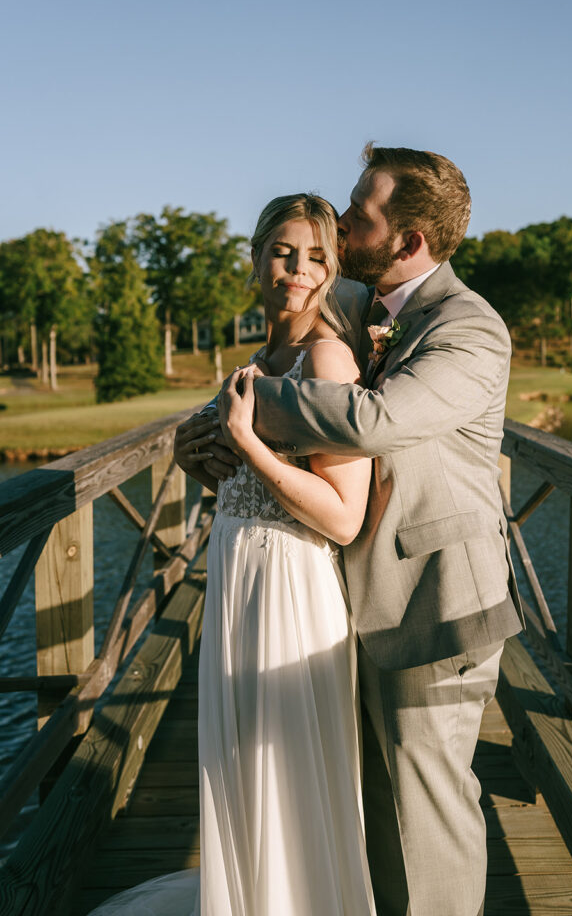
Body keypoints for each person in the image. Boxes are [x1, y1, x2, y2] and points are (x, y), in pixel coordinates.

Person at [183, 145, 524, 916]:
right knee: (371, 815)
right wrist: (202, 429)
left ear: (407, 242)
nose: (339, 222)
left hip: (433, 607)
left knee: (428, 818)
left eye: (358, 213)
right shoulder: (369, 311)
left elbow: (375, 420)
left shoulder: (468, 327)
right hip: (352, 596)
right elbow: (293, 314)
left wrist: (241, 404)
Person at [88, 193, 377, 915]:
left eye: (316, 257)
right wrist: (203, 461)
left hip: (292, 586)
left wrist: (248, 443)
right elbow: (249, 484)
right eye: (283, 252)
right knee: (241, 755)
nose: (297, 271)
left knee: (284, 760)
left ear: (334, 269)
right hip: (239, 578)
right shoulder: (257, 360)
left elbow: (343, 518)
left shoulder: (327, 357)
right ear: (255, 259)